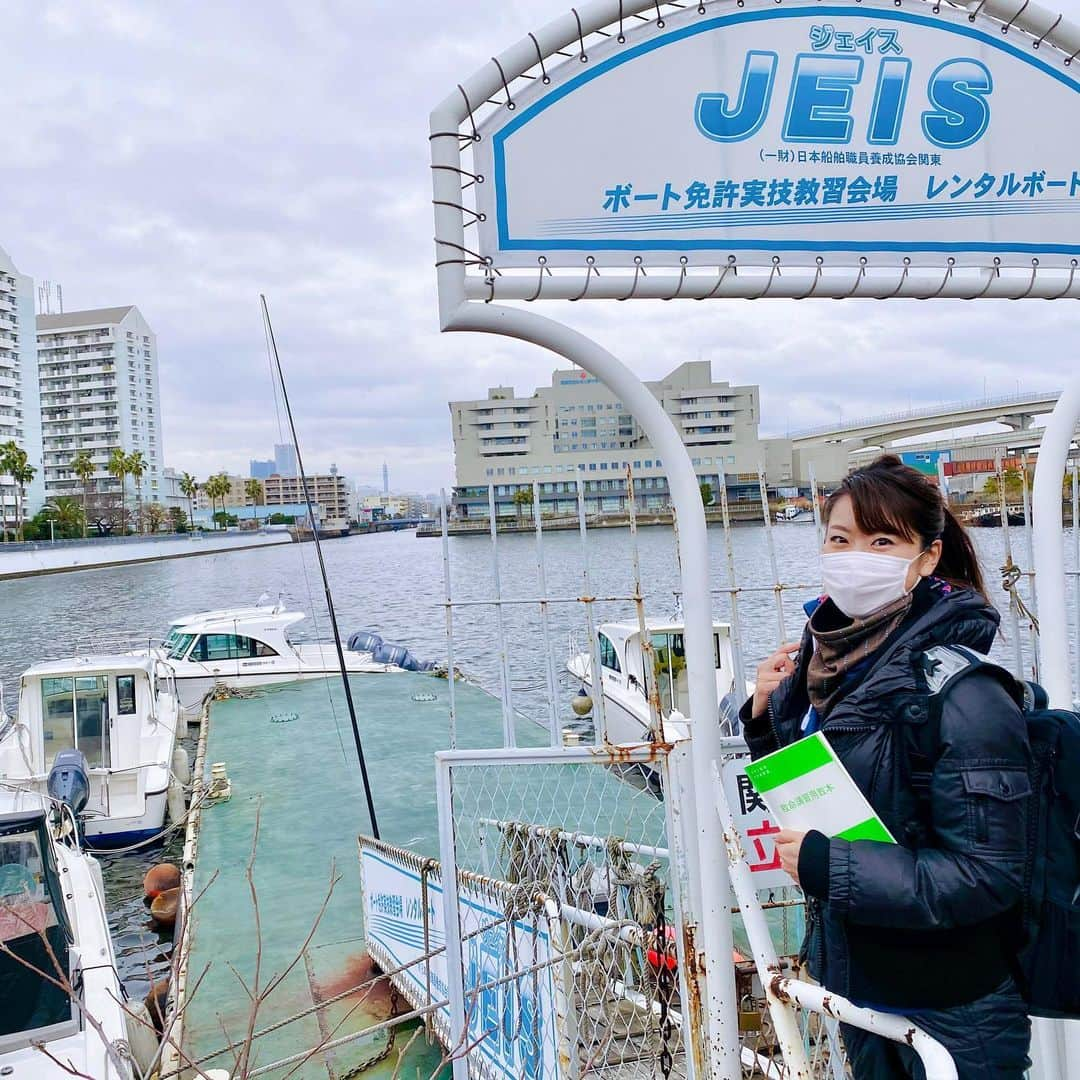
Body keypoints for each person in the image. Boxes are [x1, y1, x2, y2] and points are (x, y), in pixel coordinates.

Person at [740, 455, 1031, 1079]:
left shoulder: (966, 693)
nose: (855, 557)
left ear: (927, 557)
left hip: (953, 1005)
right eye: (840, 539)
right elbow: (818, 787)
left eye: (882, 541)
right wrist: (766, 718)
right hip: (858, 985)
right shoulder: (829, 670)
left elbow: (988, 874)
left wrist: (825, 863)